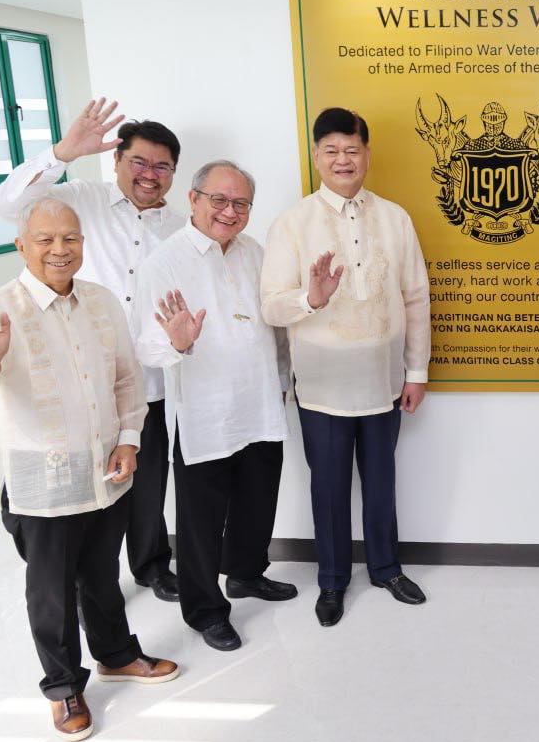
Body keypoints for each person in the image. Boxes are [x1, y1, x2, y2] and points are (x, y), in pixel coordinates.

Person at [0, 199, 179, 742]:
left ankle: (116, 655)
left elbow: (127, 380)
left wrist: (129, 440)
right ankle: (63, 688)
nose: (60, 249)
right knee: (51, 594)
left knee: (101, 577)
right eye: (46, 239)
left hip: (105, 472)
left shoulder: (101, 301)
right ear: (21, 246)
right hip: (43, 486)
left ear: (83, 243)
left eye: (71, 238)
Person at [0, 99, 185, 603]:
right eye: (139, 161)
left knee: (147, 480)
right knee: (77, 484)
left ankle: (151, 564)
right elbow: (7, 206)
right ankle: (83, 581)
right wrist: (61, 153)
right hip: (77, 379)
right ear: (116, 160)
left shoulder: (180, 227)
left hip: (148, 380)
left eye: (162, 166)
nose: (149, 174)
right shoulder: (80, 198)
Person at [262, 108, 431, 626]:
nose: (343, 160)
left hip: (384, 381)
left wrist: (416, 372)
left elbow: (416, 298)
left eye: (352, 150)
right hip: (322, 387)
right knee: (329, 488)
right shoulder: (292, 224)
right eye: (332, 150)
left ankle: (386, 568)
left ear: (367, 155)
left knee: (381, 482)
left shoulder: (395, 218)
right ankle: (332, 580)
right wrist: (310, 298)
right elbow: (271, 307)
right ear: (316, 156)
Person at [134, 160, 295, 652]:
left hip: (260, 402)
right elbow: (145, 347)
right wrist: (178, 342)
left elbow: (274, 327)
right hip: (204, 412)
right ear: (193, 199)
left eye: (241, 203)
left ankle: (246, 573)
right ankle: (205, 610)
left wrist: (282, 381)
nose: (230, 212)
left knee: (258, 499)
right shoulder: (164, 262)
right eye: (219, 200)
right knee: (201, 520)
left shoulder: (254, 252)